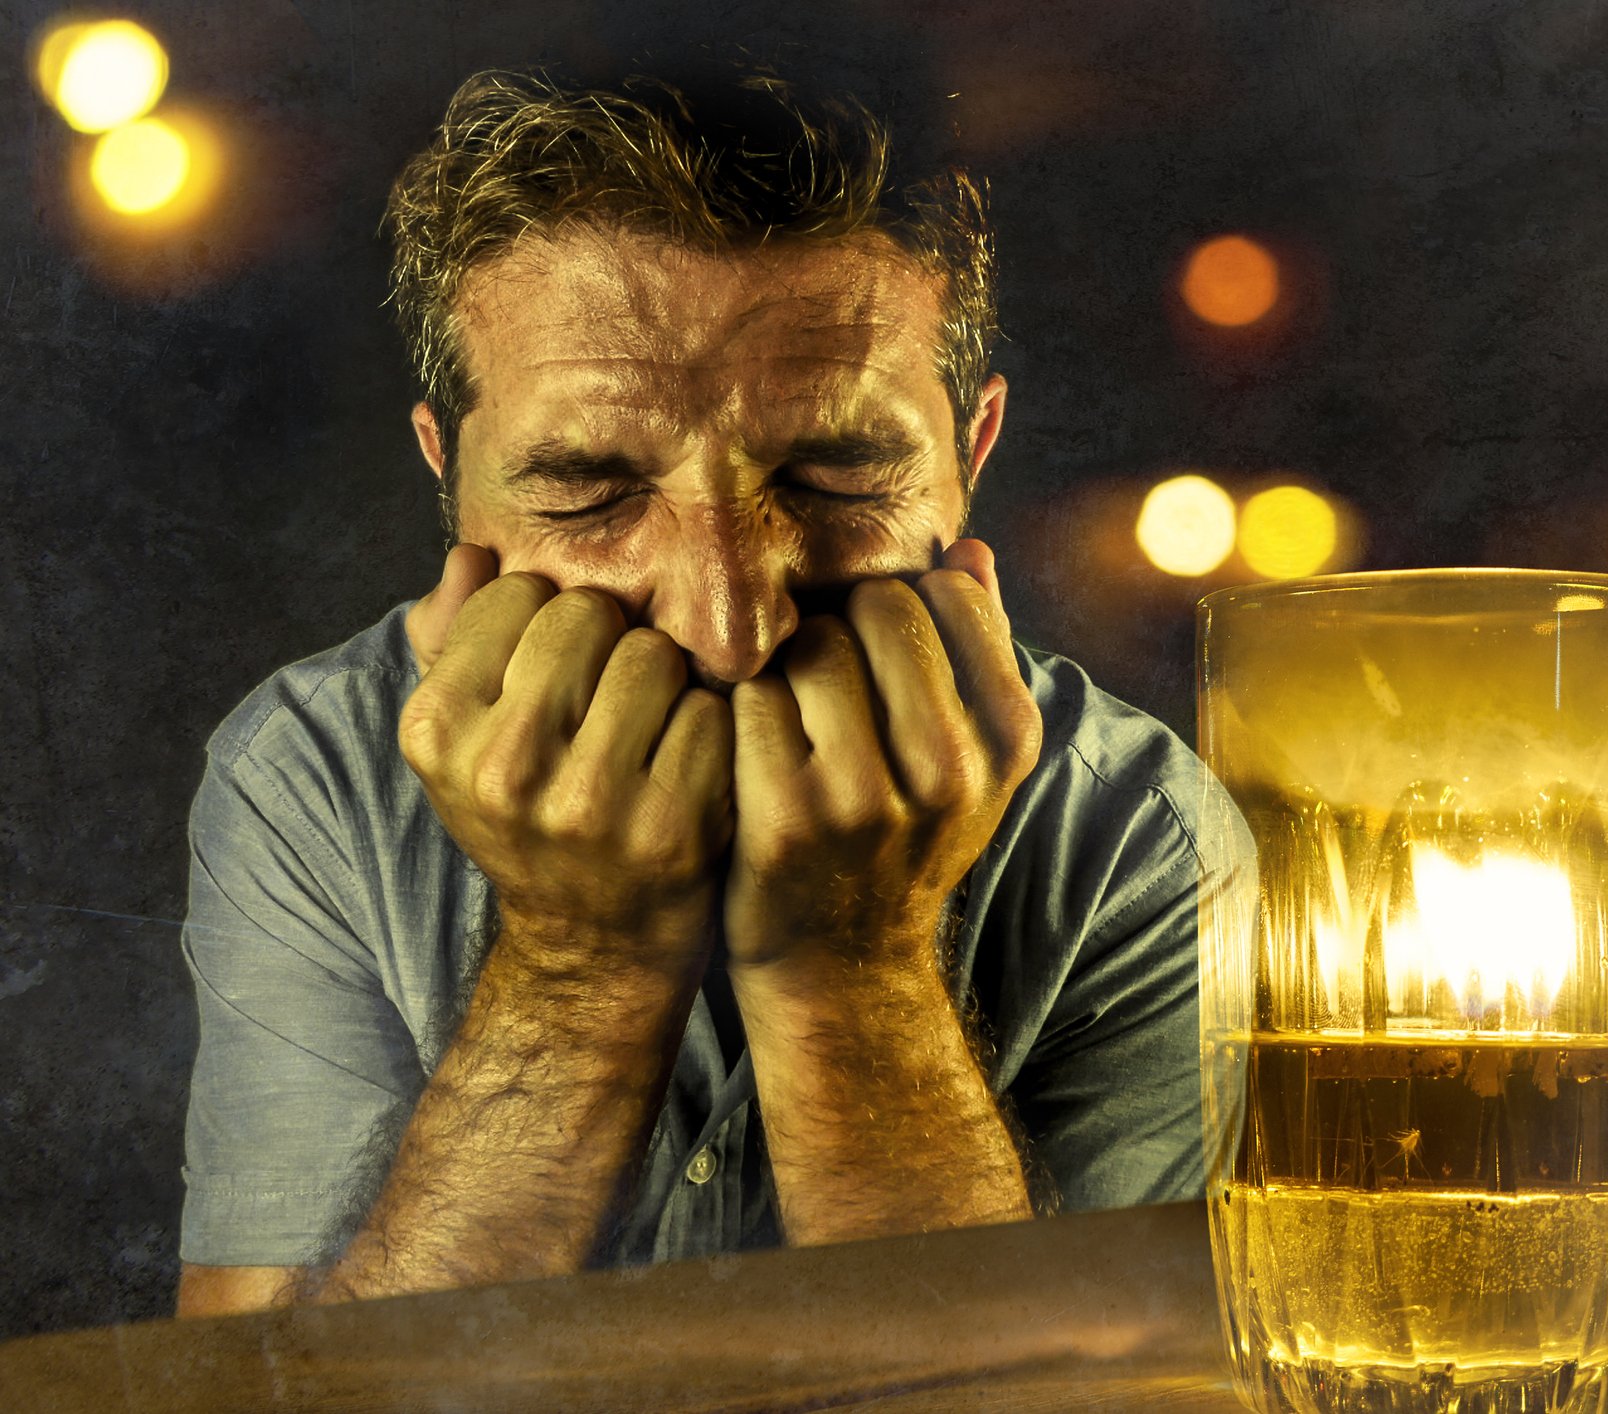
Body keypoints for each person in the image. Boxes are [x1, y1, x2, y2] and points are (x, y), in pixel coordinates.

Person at [173, 65, 1246, 1318]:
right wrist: (576, 964)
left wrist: (853, 964)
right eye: (587, 492)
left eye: (837, 477)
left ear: (971, 451)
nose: (729, 627)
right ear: (447, 475)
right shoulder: (313, 776)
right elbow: (266, 1392)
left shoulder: (1137, 832)